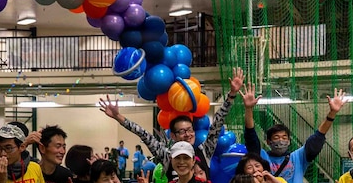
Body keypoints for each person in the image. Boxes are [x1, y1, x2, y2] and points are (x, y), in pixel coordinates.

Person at [98, 66, 246, 175]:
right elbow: (144, 134)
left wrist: (231, 95)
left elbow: (217, 124)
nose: (187, 134)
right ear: (173, 136)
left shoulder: (204, 151)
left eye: (189, 130)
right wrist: (119, 117)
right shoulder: (167, 156)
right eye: (182, 131)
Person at [244, 86, 348, 183]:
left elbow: (316, 139)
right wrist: (249, 109)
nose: (281, 140)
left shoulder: (298, 157)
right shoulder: (262, 157)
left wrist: (332, 114)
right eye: (276, 137)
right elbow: (251, 139)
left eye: (284, 137)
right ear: (268, 141)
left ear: (289, 141)